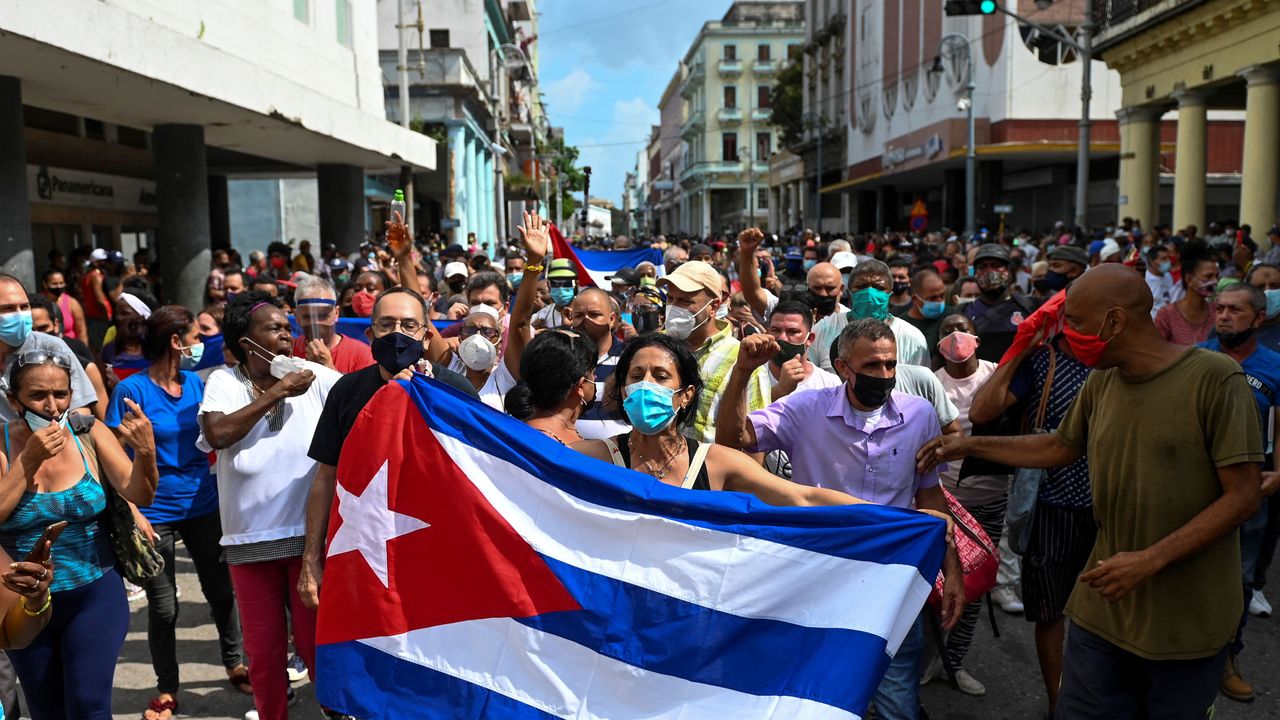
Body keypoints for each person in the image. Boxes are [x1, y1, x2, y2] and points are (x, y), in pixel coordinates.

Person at [918, 264, 1265, 720]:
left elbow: (1242, 496)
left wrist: (1150, 560)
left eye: (1077, 324)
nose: (1070, 335)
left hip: (1186, 619)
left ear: (1115, 321)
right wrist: (969, 442)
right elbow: (1061, 446)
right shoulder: (1103, 380)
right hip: (1102, 612)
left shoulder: (1214, 379)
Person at [714, 320, 965, 720]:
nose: (884, 375)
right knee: (808, 688)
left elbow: (930, 495)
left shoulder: (920, 416)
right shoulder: (805, 409)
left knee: (897, 693)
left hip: (892, 574)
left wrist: (952, 569)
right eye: (872, 366)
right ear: (843, 367)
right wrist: (743, 372)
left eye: (890, 365)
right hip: (817, 571)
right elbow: (734, 439)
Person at [197, 292, 341, 720]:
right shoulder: (224, 382)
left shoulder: (314, 375)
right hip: (248, 542)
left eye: (288, 328)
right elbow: (219, 433)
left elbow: (363, 398)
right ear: (247, 342)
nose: (286, 336)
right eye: (275, 329)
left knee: (319, 651)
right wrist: (278, 392)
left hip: (308, 543)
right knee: (264, 655)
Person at [297, 284, 477, 609]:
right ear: (370, 335)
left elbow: (480, 476)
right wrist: (311, 559)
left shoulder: (456, 393)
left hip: (440, 552)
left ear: (425, 337)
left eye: (409, 326)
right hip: (368, 553)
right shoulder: (346, 391)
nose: (398, 334)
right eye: (386, 325)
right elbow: (325, 477)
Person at [106, 307, 248, 720]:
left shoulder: (196, 384)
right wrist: (133, 510)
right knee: (164, 607)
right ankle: (167, 687)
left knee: (221, 593)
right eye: (194, 335)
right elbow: (114, 455)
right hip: (154, 510)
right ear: (175, 341)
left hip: (204, 505)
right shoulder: (131, 391)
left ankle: (235, 663)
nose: (201, 343)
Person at [0, 349, 158, 719]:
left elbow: (140, 493)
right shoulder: (4, 445)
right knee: (48, 710)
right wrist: (29, 461)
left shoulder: (90, 432)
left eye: (61, 394)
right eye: (38, 396)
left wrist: (146, 453)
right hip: (24, 604)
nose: (52, 406)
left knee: (89, 705)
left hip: (95, 592)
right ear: (13, 400)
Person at [570, 333, 880, 511]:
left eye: (661, 376)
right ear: (623, 389)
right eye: (636, 377)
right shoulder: (594, 457)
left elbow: (803, 497)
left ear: (687, 394)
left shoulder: (716, 463)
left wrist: (898, 520)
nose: (646, 385)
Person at [1198, 282, 1280, 702]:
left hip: (1250, 488)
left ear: (1259, 318)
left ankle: (1227, 657)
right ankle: (1178, 656)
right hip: (1194, 485)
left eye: (1234, 310)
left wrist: (1279, 474)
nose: (1224, 316)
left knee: (1240, 577)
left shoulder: (1275, 366)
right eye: (1219, 309)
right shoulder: (1196, 358)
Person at [656, 261, 771, 444]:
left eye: (685, 301)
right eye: (670, 299)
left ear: (714, 306)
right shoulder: (655, 348)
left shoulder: (742, 360)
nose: (674, 308)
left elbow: (756, 440)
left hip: (711, 470)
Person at [0, 275, 100, 423]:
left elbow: (81, 408)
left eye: (24, 307)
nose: (20, 315)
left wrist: (62, 432)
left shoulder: (52, 347)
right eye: (8, 308)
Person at [807, 259, 931, 371]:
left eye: (878, 287)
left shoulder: (911, 337)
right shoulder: (823, 330)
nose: (869, 294)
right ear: (849, 294)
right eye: (861, 287)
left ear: (890, 296)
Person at [505, 328, 597, 445]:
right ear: (581, 385)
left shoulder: (523, 435)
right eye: (593, 372)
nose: (595, 378)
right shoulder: (542, 444)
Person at [735, 228, 846, 325]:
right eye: (817, 288)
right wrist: (747, 254)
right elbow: (752, 293)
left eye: (830, 288)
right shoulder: (788, 312)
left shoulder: (847, 318)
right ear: (807, 287)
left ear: (841, 289)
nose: (823, 294)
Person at [961, 243, 1041, 362]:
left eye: (996, 265)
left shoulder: (1030, 307)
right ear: (975, 273)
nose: (989, 271)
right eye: (982, 267)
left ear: (1009, 271)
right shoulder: (963, 313)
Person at [291, 275, 373, 374]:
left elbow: (365, 389)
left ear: (336, 313)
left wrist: (328, 367)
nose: (316, 323)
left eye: (323, 316)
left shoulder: (362, 355)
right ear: (297, 317)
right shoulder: (290, 350)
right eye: (308, 317)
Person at [1155, 242, 1218, 345]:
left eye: (1216, 276)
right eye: (1208, 276)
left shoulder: (1217, 312)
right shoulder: (1167, 316)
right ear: (1189, 279)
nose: (1215, 281)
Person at [899, 268, 949, 368]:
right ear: (915, 299)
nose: (939, 301)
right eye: (933, 298)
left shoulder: (951, 317)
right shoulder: (901, 327)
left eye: (942, 296)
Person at [41, 270, 87, 344]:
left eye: (61, 283)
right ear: (45, 284)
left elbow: (81, 331)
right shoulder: (38, 303)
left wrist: (83, 351)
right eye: (54, 284)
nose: (59, 286)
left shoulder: (72, 303)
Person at [532, 259, 576, 329]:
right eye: (555, 283)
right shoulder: (542, 315)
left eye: (566, 283)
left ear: (576, 284)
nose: (561, 288)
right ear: (549, 285)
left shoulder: (584, 312)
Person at [1144, 244, 1182, 317]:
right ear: (1152, 261)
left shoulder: (1168, 276)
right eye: (1164, 259)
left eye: (1168, 258)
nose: (1168, 261)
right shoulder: (1144, 279)